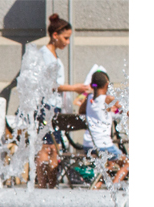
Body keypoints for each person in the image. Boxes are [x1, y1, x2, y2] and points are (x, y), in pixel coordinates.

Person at [31, 14, 93, 189]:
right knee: (46, 147)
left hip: (53, 106)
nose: (67, 42)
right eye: (66, 38)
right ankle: (44, 184)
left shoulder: (53, 55)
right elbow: (47, 85)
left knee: (52, 146)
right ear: (55, 35)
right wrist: (74, 88)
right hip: (45, 106)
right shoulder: (45, 55)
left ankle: (50, 184)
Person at [82, 70, 127, 189]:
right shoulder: (107, 99)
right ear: (107, 85)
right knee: (128, 163)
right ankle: (114, 187)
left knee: (110, 163)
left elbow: (82, 111)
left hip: (88, 145)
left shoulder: (89, 99)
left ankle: (96, 186)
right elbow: (125, 110)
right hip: (103, 145)